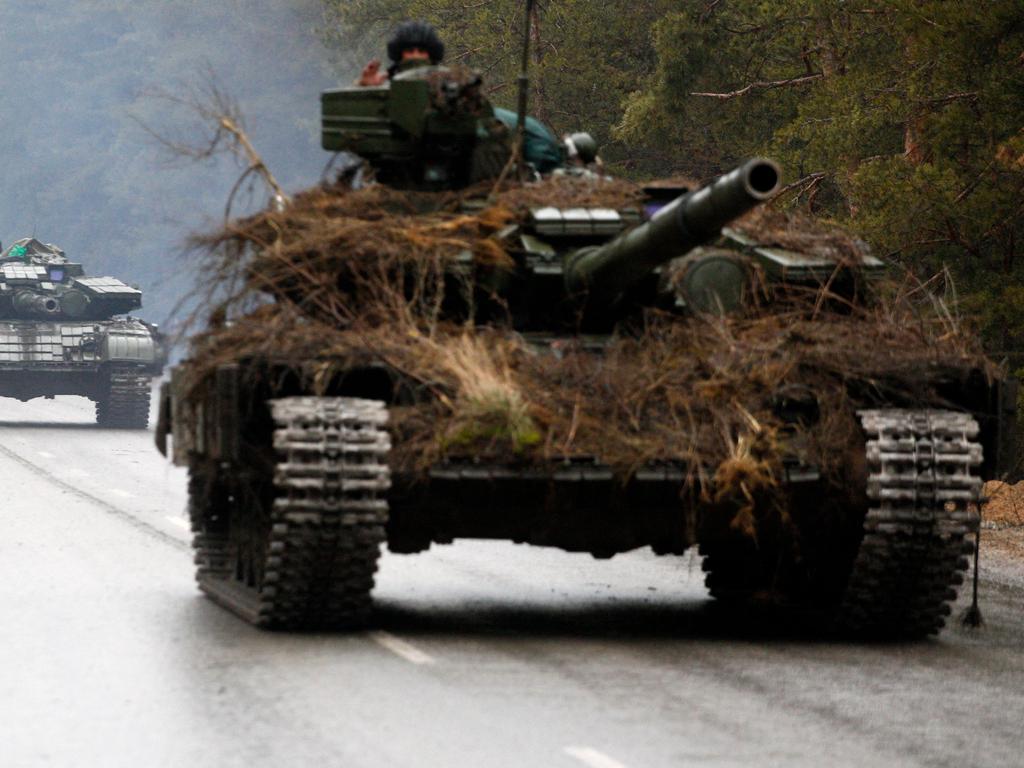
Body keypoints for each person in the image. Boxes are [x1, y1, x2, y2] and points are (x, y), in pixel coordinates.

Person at [357, 21, 446, 86]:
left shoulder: (446, 81)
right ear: (400, 54)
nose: (416, 56)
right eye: (410, 51)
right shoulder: (384, 83)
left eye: (421, 51)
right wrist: (365, 88)